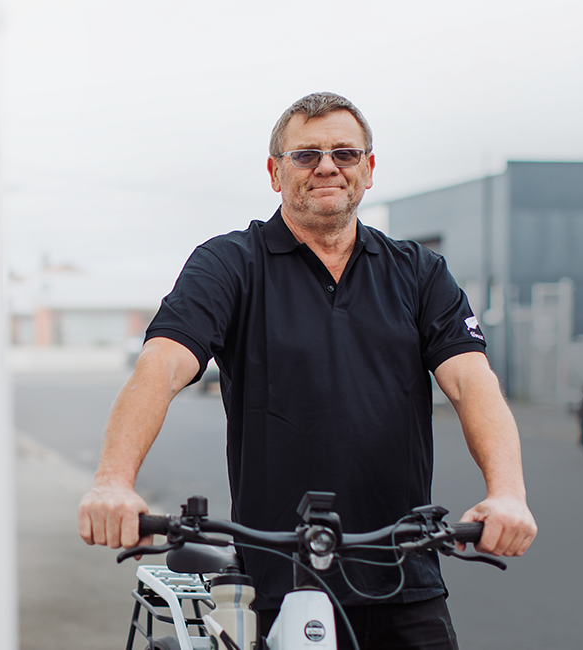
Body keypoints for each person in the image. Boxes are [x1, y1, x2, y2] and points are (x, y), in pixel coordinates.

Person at [78, 92, 536, 650]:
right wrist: (113, 482)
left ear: (368, 170)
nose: (327, 166)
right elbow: (163, 364)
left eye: (345, 153)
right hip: (278, 578)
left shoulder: (419, 272)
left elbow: (472, 382)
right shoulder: (230, 264)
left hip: (404, 572)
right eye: (305, 154)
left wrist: (508, 493)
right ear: (275, 172)